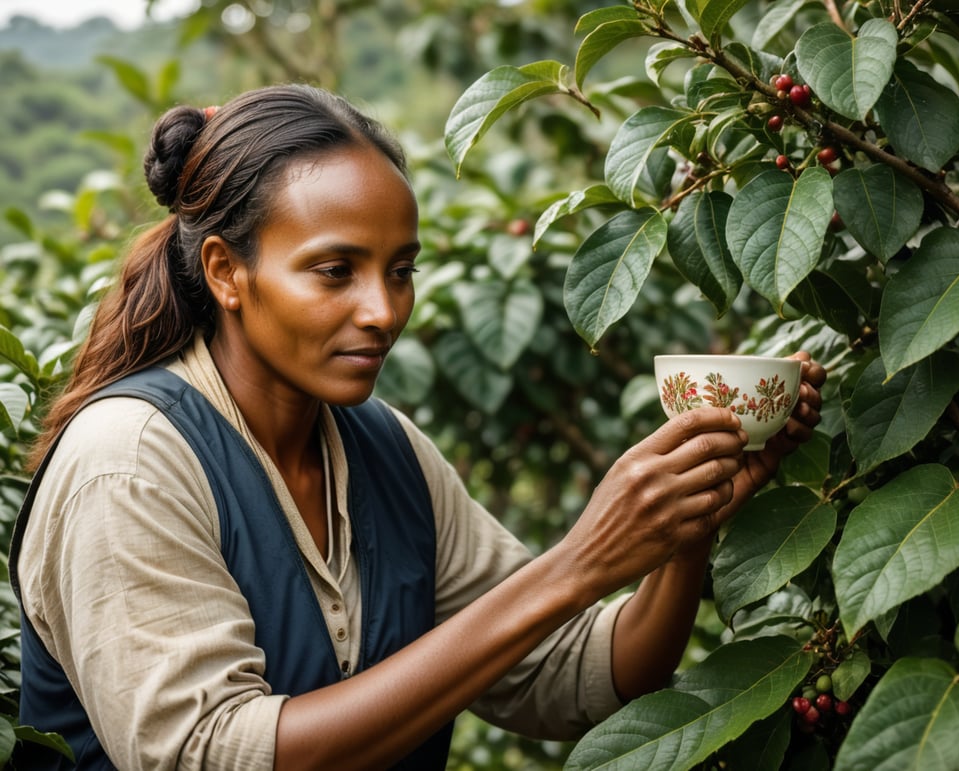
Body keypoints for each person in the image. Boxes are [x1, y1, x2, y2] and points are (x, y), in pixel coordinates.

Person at [10, 83, 826, 770]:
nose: (383, 311)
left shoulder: (384, 449)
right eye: (337, 271)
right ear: (228, 270)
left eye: (400, 270)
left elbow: (579, 681)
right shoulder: (130, 461)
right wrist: (576, 564)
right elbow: (212, 751)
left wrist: (685, 530)